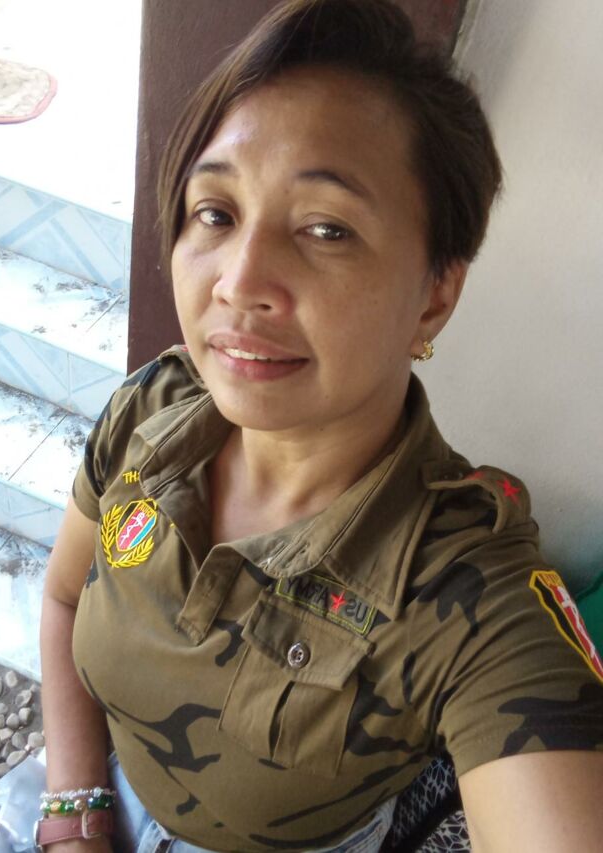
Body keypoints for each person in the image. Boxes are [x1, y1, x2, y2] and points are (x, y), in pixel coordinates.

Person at [39, 0, 603, 851]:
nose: (239, 281)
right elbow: (62, 594)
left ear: (435, 295)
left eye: (326, 228)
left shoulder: (465, 592)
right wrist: (72, 808)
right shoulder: (153, 408)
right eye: (216, 213)